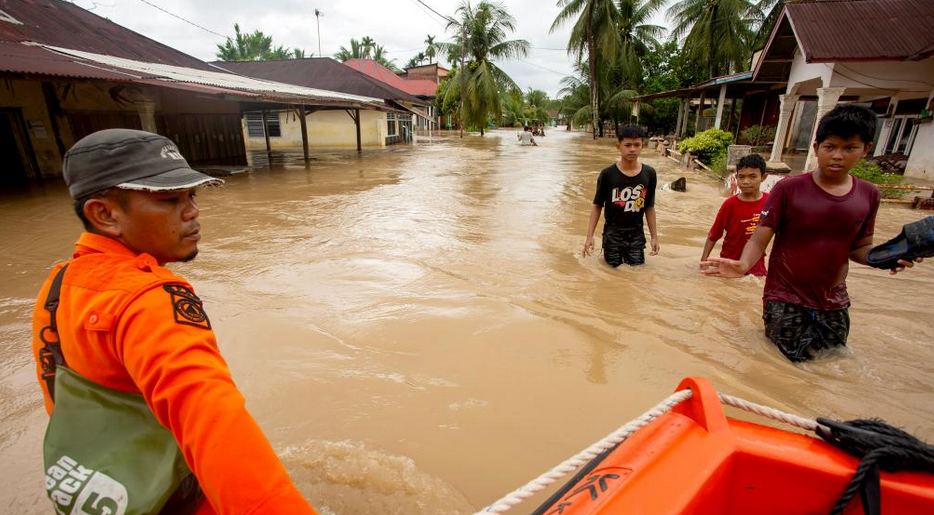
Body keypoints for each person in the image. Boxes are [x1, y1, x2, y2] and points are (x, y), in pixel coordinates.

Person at [32, 129, 318, 514]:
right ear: (104, 214)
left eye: (191, 196)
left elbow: (61, 398)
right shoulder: (151, 298)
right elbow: (213, 424)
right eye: (169, 200)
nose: (192, 212)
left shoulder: (58, 284)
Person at [701, 105, 923, 362]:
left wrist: (886, 257)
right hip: (784, 297)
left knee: (833, 366)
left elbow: (859, 248)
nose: (838, 156)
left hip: (834, 300)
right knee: (782, 366)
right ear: (816, 148)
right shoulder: (788, 189)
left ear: (866, 149)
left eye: (849, 148)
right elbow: (760, 236)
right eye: (830, 147)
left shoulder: (869, 195)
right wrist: (743, 264)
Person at [583, 124, 659, 266]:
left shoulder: (649, 174)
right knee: (612, 273)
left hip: (636, 233)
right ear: (618, 146)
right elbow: (597, 205)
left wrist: (654, 237)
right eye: (628, 145)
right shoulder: (608, 174)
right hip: (613, 233)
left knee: (636, 271)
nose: (632, 149)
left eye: (637, 145)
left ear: (643, 146)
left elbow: (649, 206)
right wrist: (589, 236)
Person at [700, 154, 770, 277]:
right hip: (728, 264)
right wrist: (704, 261)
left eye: (752, 176)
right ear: (736, 178)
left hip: (756, 267)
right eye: (741, 177)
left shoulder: (770, 203)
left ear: (763, 177)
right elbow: (714, 234)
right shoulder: (730, 204)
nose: (746, 181)